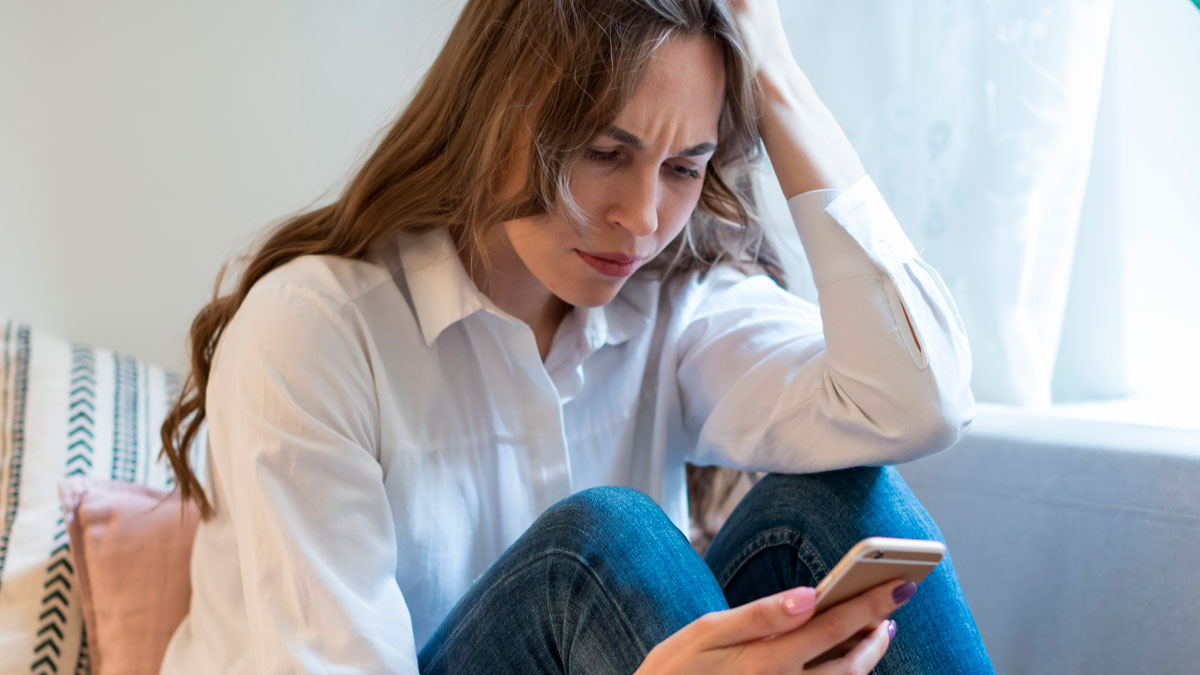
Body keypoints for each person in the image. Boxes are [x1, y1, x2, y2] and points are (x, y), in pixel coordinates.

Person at [158, 0, 995, 672]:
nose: (640, 218)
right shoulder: (315, 330)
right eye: (603, 151)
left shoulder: (677, 307)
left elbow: (918, 403)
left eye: (683, 168)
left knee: (850, 504)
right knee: (601, 541)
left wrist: (775, 75)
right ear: (491, 116)